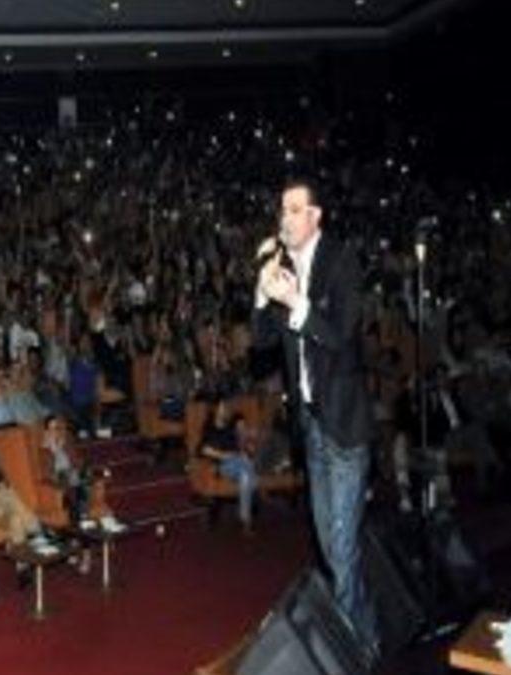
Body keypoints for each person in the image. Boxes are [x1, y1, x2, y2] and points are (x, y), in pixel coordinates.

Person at [254, 178, 378, 655]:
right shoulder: (284, 268)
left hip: (344, 426)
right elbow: (263, 341)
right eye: (282, 209)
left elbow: (342, 336)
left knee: (342, 548)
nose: (284, 218)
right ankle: (367, 636)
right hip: (312, 426)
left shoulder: (341, 261)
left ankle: (348, 655)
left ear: (315, 216)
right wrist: (263, 293)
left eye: (294, 209)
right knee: (331, 546)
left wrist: (296, 304)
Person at [199, 399, 258, 534]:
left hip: (238, 461)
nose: (224, 410)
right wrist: (223, 455)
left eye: (225, 408)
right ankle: (253, 495)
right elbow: (203, 449)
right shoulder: (209, 428)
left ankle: (246, 520)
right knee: (248, 466)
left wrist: (247, 443)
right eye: (221, 407)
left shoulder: (229, 428)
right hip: (223, 464)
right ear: (215, 410)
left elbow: (237, 447)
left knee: (245, 477)